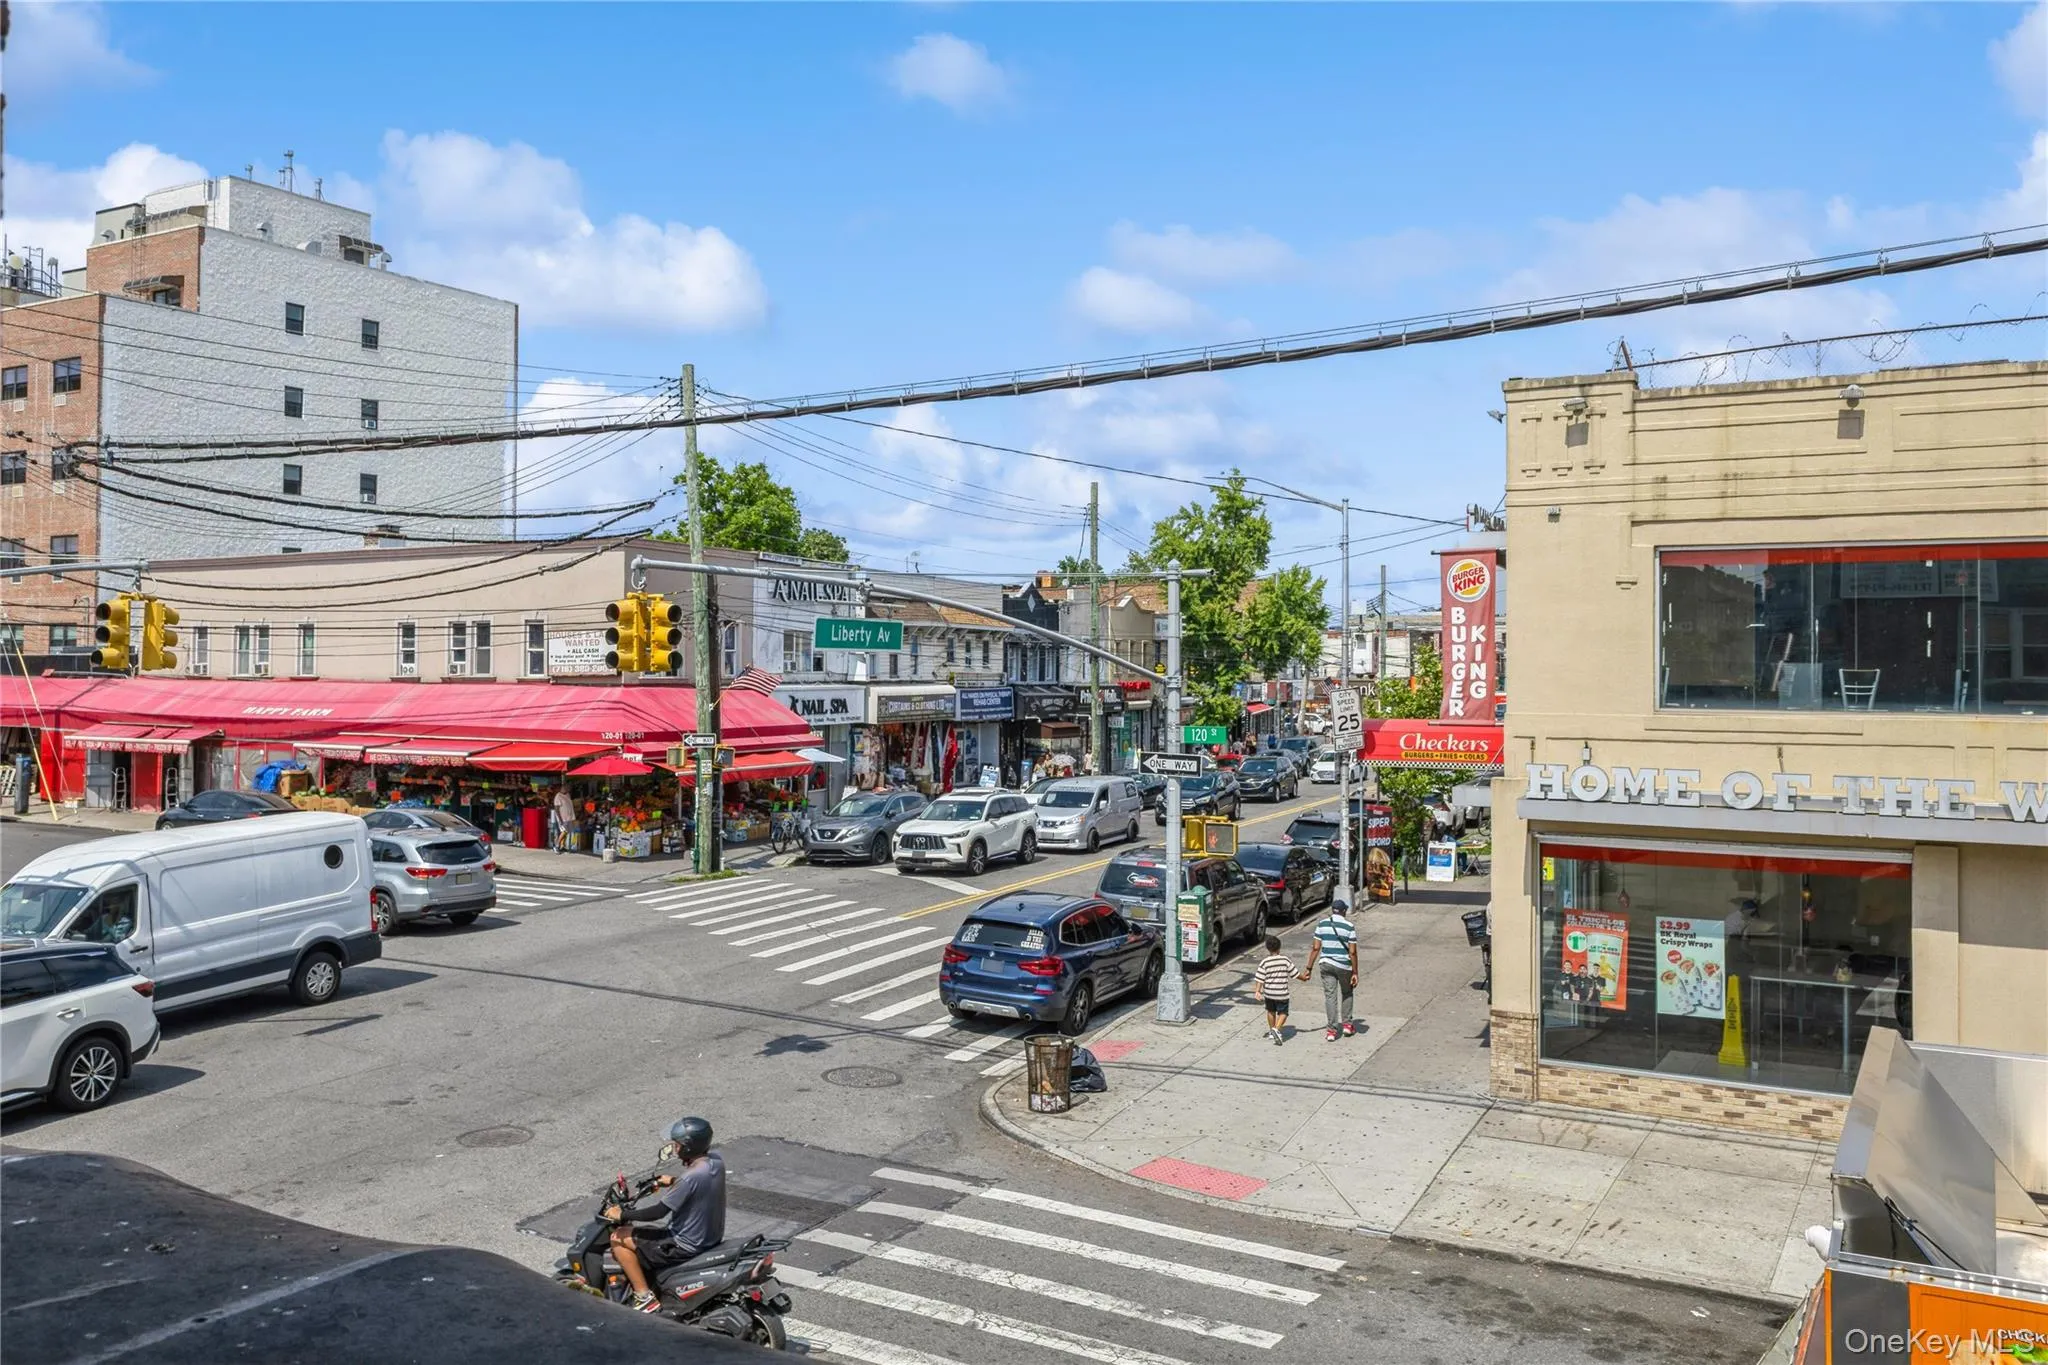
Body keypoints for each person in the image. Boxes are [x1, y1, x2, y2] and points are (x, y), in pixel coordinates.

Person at [604, 1116, 727, 1313]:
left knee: (619, 1237)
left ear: (688, 1147)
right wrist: (672, 1181)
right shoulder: (716, 1162)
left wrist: (622, 1214)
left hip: (683, 1244)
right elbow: (699, 1185)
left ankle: (644, 1297)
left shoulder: (689, 1178)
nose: (675, 1149)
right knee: (643, 1233)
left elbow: (658, 1212)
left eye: (677, 1145)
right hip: (709, 1237)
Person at [1298, 897, 1360, 1042]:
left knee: (1330, 996)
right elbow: (1352, 952)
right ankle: (1347, 1025)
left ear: (1333, 911)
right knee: (1347, 992)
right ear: (1344, 911)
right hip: (1344, 966)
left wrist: (1309, 968)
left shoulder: (1322, 924)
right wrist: (1355, 972)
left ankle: (1331, 1031)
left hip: (1326, 964)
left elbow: (1316, 948)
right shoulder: (1349, 926)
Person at [1253, 933, 1293, 1045]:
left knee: (1271, 1011)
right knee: (1283, 1013)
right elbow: (1294, 973)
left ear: (1268, 948)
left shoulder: (1265, 962)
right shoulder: (1285, 960)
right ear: (1279, 947)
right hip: (1282, 993)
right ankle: (1277, 1029)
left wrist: (1257, 991)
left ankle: (1271, 1031)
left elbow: (1260, 978)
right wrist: (1304, 977)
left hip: (1269, 993)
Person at [552, 785, 577, 854]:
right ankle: (556, 846)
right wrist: (560, 819)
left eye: (568, 788)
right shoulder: (558, 796)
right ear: (561, 789)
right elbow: (556, 809)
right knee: (564, 831)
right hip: (563, 818)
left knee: (567, 832)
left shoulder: (568, 795)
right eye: (565, 788)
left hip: (569, 817)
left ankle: (562, 846)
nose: (567, 789)